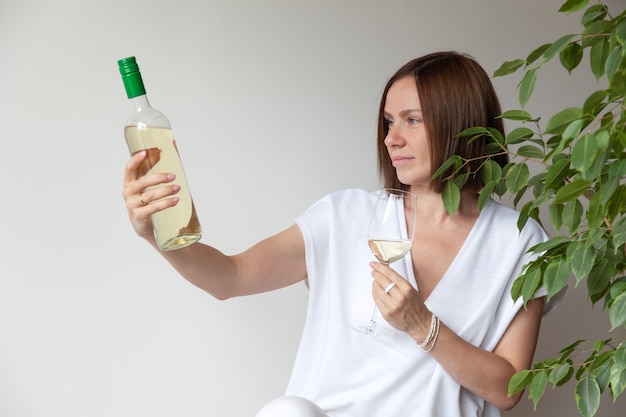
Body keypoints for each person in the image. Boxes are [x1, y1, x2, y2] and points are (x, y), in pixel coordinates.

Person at [122, 51, 556, 417]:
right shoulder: (345, 215)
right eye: (388, 122)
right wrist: (155, 234)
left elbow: (509, 388)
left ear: (460, 123)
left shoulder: (520, 243)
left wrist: (423, 326)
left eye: (412, 120)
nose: (391, 139)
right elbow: (229, 278)